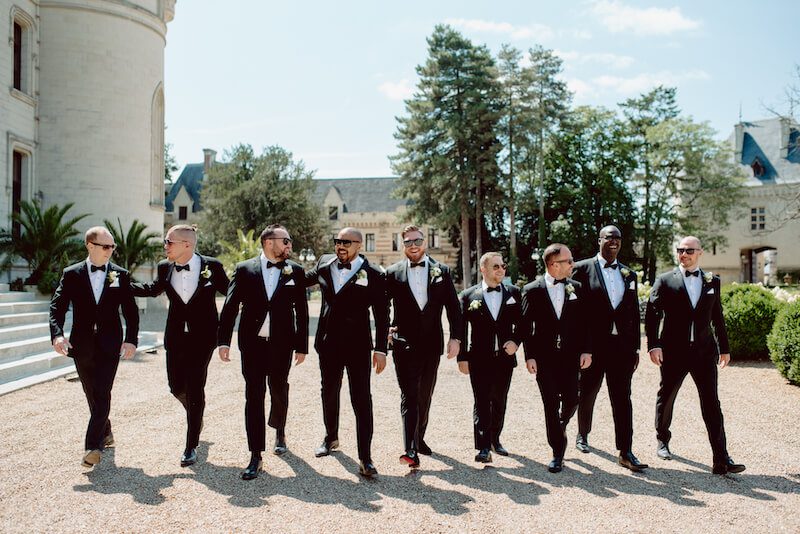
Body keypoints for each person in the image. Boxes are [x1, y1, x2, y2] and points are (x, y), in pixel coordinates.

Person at [646, 236, 745, 475]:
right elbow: (652, 314)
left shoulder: (713, 281)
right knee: (667, 395)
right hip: (673, 352)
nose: (684, 254)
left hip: (704, 352)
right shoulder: (665, 280)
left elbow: (717, 316)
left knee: (711, 403)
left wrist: (725, 348)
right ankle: (662, 439)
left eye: (689, 250)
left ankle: (721, 458)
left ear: (700, 252)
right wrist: (654, 345)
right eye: (680, 250)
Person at [131, 224, 229, 468]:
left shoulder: (212, 267)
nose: (165, 246)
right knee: (176, 386)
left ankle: (191, 444)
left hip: (203, 337)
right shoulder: (165, 267)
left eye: (168, 242)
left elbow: (230, 291)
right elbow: (153, 290)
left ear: (187, 244)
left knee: (195, 386)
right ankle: (195, 413)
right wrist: (123, 284)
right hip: (175, 336)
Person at [218, 224, 308, 480]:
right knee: (254, 395)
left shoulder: (295, 271)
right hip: (252, 344)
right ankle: (255, 454)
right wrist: (223, 341)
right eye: (286, 241)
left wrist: (301, 346)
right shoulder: (244, 269)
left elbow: (301, 310)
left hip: (282, 343)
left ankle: (279, 430)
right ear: (269, 242)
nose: (290, 246)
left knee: (279, 389)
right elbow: (230, 306)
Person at [49, 226, 139, 468]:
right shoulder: (71, 274)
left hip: (111, 344)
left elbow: (131, 312)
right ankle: (106, 431)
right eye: (106, 246)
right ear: (90, 245)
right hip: (82, 344)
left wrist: (131, 339)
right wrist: (57, 335)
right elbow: (57, 308)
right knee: (91, 392)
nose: (110, 250)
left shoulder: (120, 275)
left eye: (112, 247)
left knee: (102, 392)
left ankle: (92, 447)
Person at [304, 227, 389, 478]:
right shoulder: (324, 264)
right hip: (328, 344)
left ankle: (366, 457)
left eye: (346, 242)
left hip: (358, 346)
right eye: (337, 241)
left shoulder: (373, 274)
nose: (340, 246)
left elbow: (383, 316)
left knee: (361, 399)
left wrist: (381, 349)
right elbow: (300, 279)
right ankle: (331, 437)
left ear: (359, 245)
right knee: (328, 392)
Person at [572, 225, 648, 472]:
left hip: (622, 349)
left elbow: (634, 314)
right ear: (599, 241)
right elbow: (576, 314)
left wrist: (636, 348)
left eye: (618, 237)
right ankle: (583, 433)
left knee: (622, 399)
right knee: (587, 394)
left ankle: (625, 451)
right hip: (593, 348)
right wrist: (583, 347)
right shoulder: (582, 269)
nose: (614, 241)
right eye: (609, 237)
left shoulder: (629, 274)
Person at [385, 225, 462, 468]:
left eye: (417, 240)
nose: (413, 245)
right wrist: (386, 328)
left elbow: (454, 308)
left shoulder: (442, 271)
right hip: (403, 343)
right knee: (409, 394)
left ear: (424, 242)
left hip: (432, 344)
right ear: (403, 245)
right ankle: (410, 450)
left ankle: (419, 438)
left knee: (424, 395)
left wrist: (456, 338)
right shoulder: (393, 273)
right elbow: (381, 306)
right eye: (408, 242)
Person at [521, 243, 591, 473]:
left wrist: (586, 350)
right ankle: (557, 452)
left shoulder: (578, 287)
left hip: (571, 356)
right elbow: (526, 326)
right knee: (550, 404)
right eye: (568, 261)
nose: (573, 264)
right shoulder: (532, 290)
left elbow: (585, 323)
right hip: (544, 358)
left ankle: (559, 427)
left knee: (572, 399)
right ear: (553, 265)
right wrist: (529, 356)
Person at [458, 252, 522, 463]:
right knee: (482, 400)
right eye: (496, 266)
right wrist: (462, 357)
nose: (501, 269)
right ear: (483, 270)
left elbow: (523, 323)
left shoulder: (514, 293)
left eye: (503, 266)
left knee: (500, 400)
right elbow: (460, 328)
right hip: (478, 358)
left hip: (504, 358)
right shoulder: (468, 296)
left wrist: (515, 341)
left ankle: (495, 439)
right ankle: (483, 447)